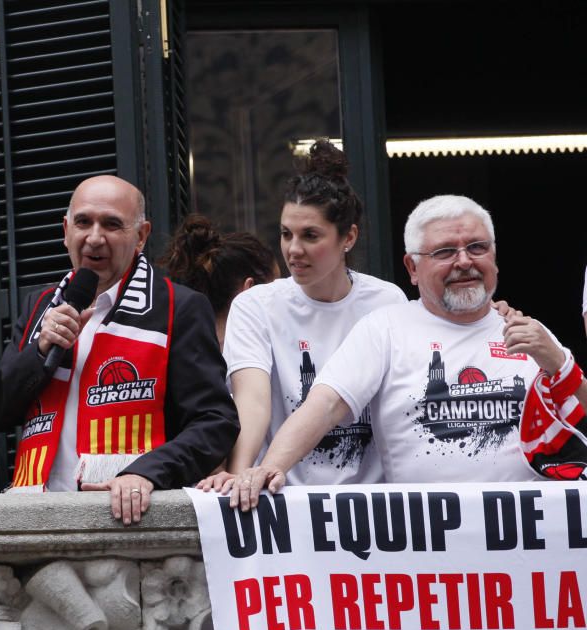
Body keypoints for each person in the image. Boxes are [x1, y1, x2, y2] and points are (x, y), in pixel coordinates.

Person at [228, 194, 587, 510]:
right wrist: (268, 468)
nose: (464, 261)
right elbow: (324, 405)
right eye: (445, 252)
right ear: (412, 268)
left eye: (477, 247)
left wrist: (556, 360)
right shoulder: (385, 328)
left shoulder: (530, 333)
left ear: (494, 257)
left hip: (526, 545)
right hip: (422, 550)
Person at [0, 175, 239, 525]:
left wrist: (146, 473)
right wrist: (40, 350)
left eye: (112, 224)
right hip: (37, 517)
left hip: (132, 517)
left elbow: (215, 423)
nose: (95, 237)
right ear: (65, 230)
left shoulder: (178, 307)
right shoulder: (40, 305)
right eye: (83, 222)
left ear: (141, 236)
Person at [199, 140, 406, 493]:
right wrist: (240, 472)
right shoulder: (256, 305)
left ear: (348, 237)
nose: (294, 250)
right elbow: (251, 399)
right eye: (285, 234)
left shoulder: (388, 301)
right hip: (284, 495)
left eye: (310, 236)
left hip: (370, 500)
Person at [159, 213, 279, 349]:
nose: (282, 298)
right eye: (274, 290)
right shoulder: (258, 356)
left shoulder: (181, 351)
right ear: (249, 291)